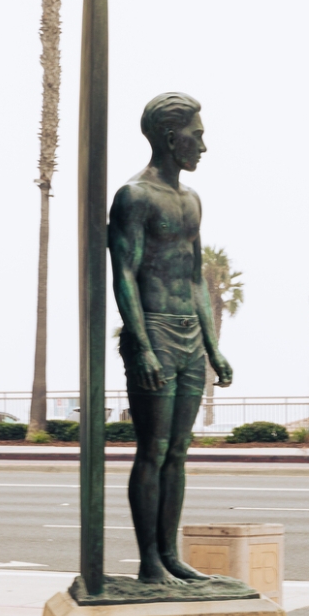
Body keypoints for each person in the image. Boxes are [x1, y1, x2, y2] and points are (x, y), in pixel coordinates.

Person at [108, 92, 231, 585]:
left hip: (188, 337)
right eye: (197, 135)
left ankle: (170, 554)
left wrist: (213, 344)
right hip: (154, 331)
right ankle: (149, 562)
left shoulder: (191, 200)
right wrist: (139, 343)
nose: (203, 145)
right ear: (169, 136)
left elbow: (196, 277)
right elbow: (125, 274)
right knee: (153, 450)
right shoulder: (134, 196)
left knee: (179, 451)